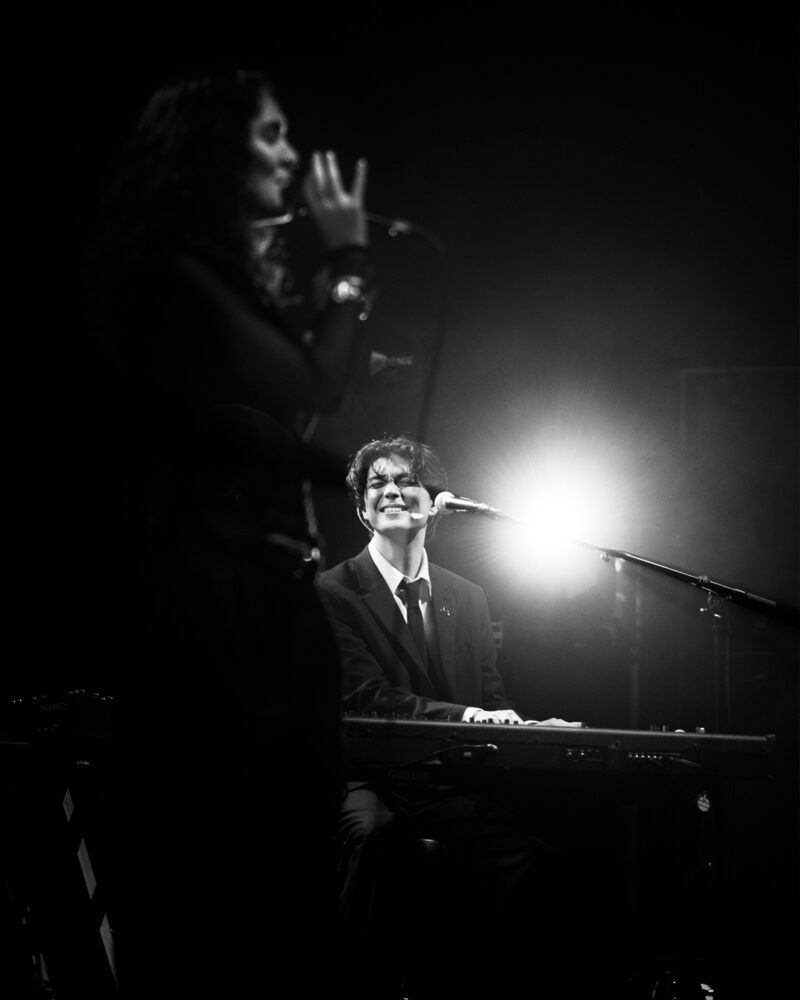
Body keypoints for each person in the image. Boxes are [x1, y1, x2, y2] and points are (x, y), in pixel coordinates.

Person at [78, 67, 373, 998]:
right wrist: (348, 259)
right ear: (212, 149)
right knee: (232, 862)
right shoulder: (172, 278)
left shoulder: (222, 287)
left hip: (262, 602)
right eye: (272, 133)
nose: (292, 154)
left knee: (286, 859)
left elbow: (293, 405)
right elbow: (312, 385)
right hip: (214, 608)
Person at [317, 435, 582, 1000]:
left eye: (406, 480)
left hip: (449, 781)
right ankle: (351, 998)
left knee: (532, 851)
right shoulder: (333, 592)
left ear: (435, 502)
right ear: (362, 508)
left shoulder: (468, 597)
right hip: (372, 777)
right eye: (377, 483)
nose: (392, 490)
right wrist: (475, 717)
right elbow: (366, 697)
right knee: (372, 837)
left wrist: (529, 729)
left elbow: (491, 698)